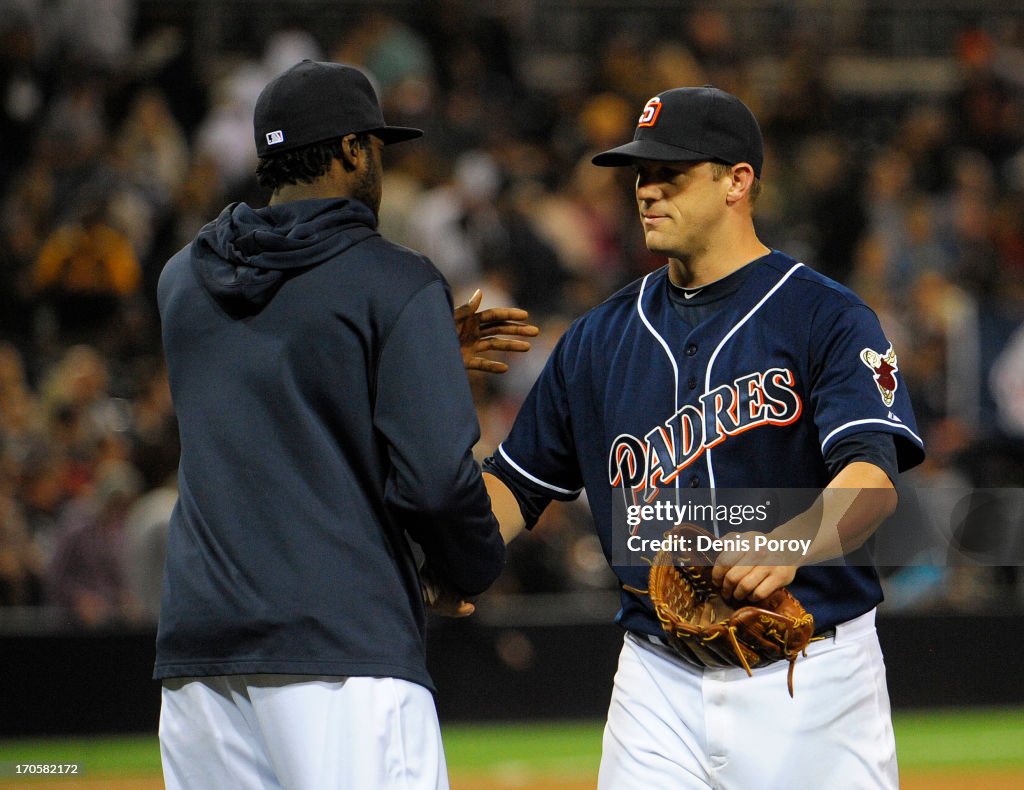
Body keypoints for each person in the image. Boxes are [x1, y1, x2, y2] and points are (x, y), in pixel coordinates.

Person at [477, 86, 925, 788]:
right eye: (640, 175)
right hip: (656, 681)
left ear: (737, 181)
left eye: (671, 174)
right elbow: (512, 487)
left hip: (810, 678)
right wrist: (439, 546)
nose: (647, 191)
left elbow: (871, 482)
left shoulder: (825, 316)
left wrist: (787, 540)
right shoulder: (599, 338)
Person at [154, 60, 535, 790]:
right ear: (354, 149)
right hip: (342, 656)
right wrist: (468, 568)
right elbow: (432, 482)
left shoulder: (183, 281)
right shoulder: (394, 281)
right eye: (377, 146)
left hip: (200, 662)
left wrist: (402, 356)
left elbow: (274, 394)